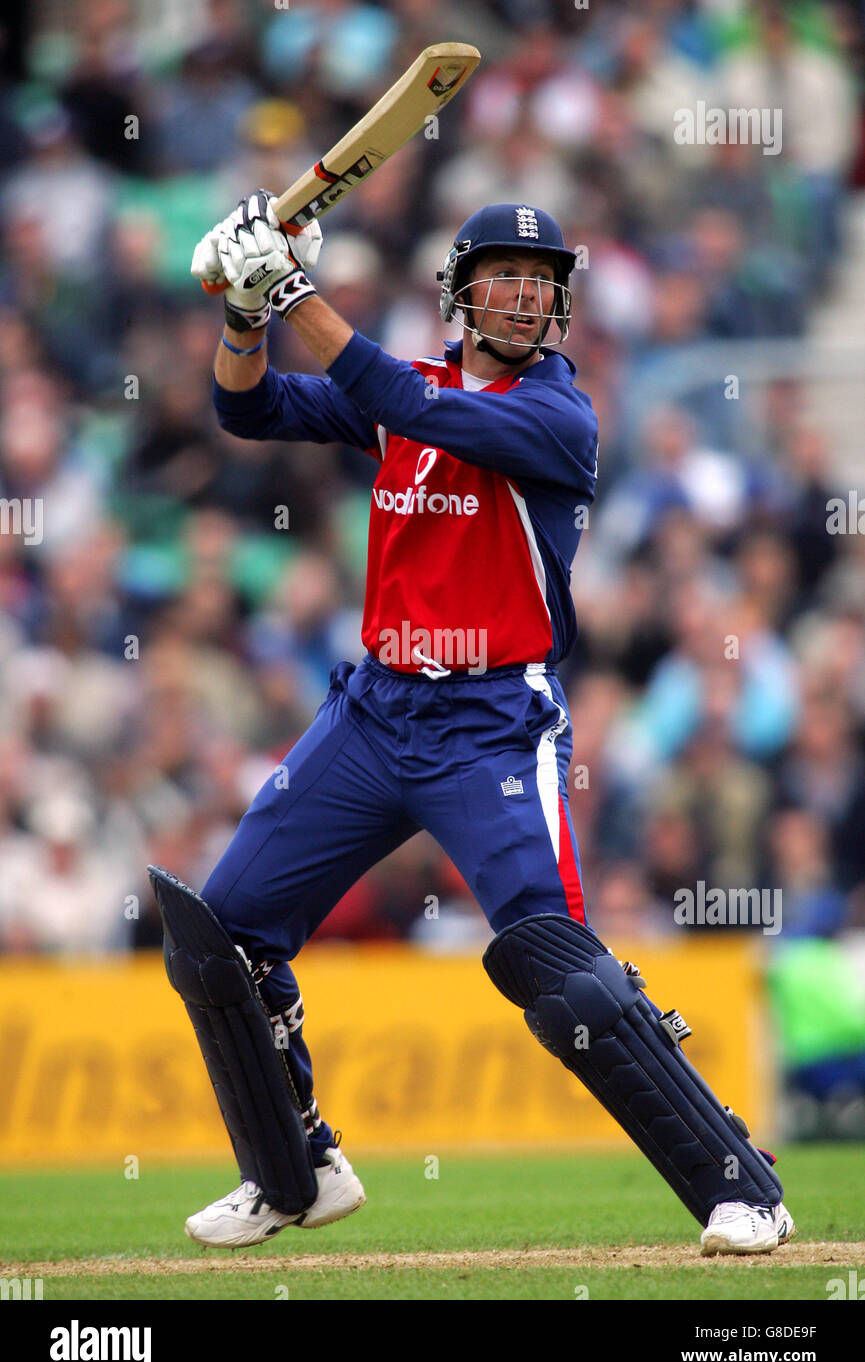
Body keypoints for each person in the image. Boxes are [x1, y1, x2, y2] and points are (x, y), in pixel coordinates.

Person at [173, 192, 793, 1256]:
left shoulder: (557, 418)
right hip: (374, 709)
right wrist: (242, 312)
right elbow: (247, 409)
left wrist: (287, 287)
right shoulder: (404, 385)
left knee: (559, 965)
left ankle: (740, 1186)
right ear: (459, 294)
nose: (522, 296)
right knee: (223, 931)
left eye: (540, 282)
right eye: (503, 277)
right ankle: (294, 1170)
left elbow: (404, 406)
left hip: (490, 721)